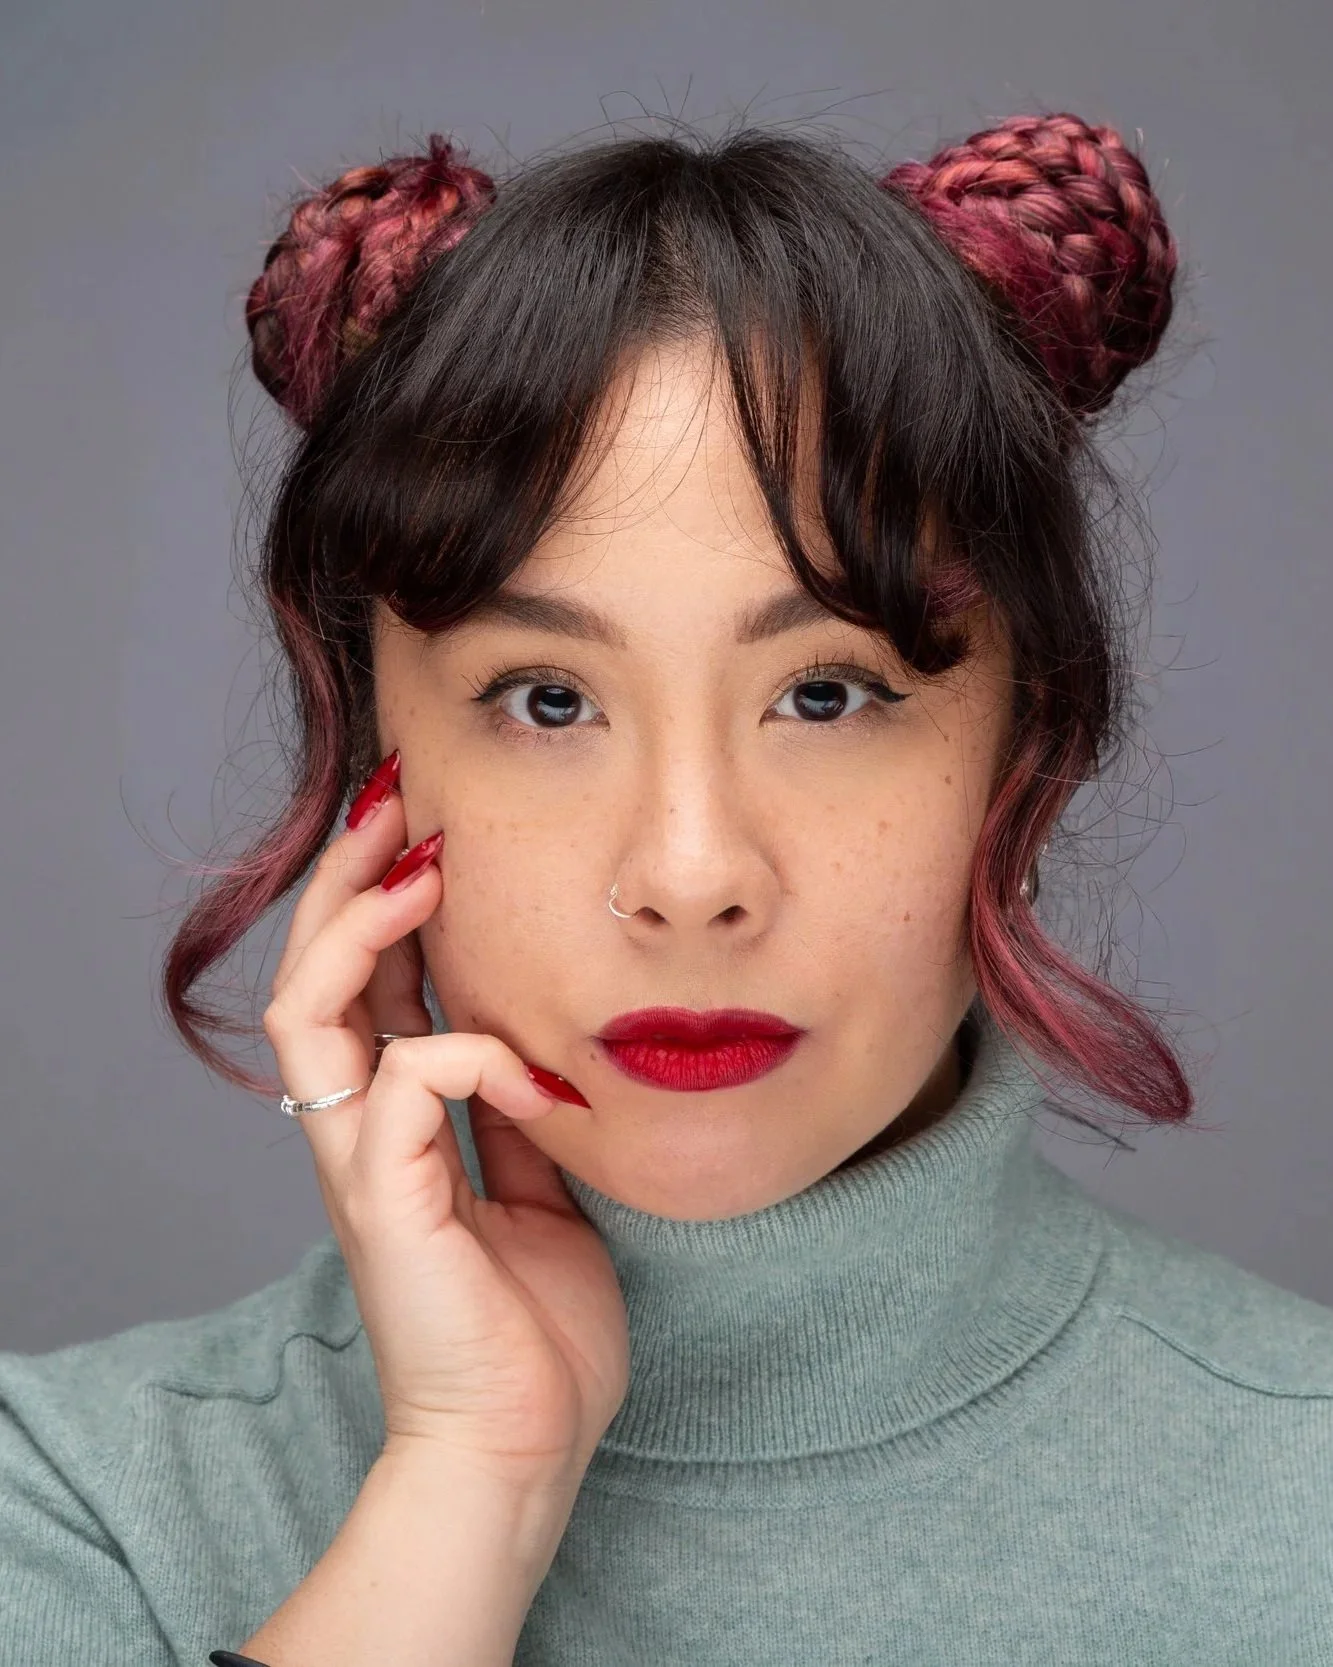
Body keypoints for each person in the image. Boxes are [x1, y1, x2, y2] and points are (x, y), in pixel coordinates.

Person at [1, 109, 1329, 1667]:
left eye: (828, 693)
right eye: (547, 700)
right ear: (383, 764)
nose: (692, 875)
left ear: (1023, 748)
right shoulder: (83, 1507)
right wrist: (469, 1484)